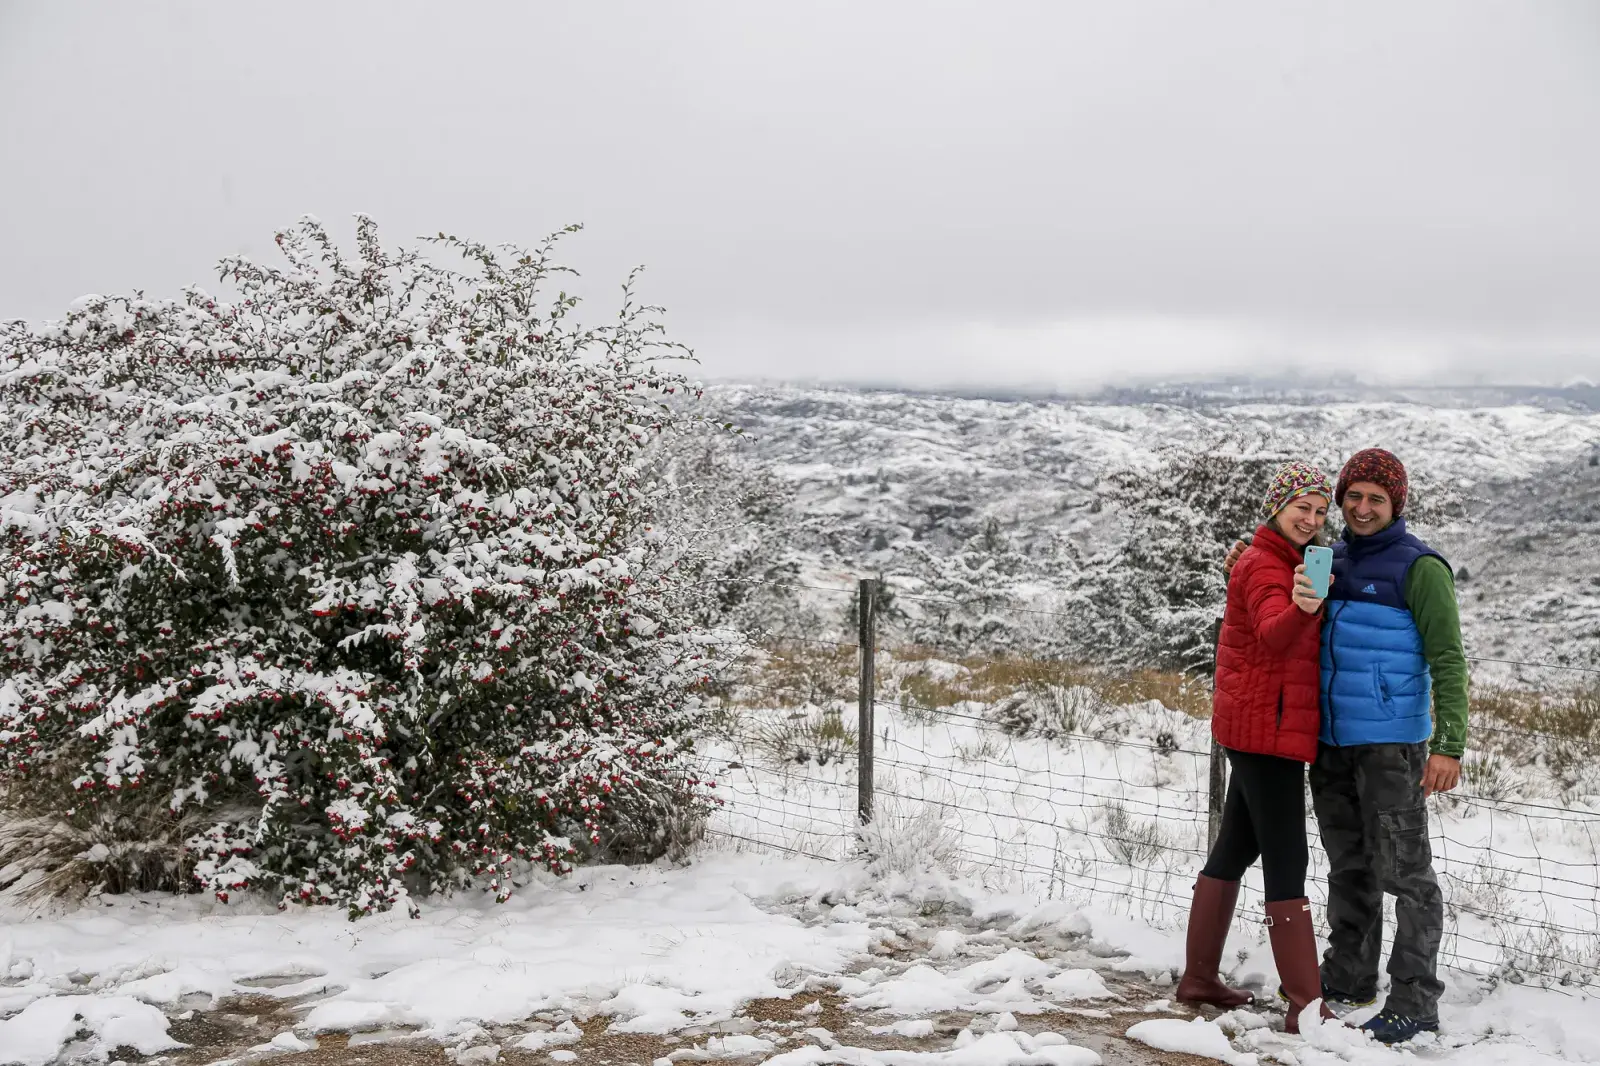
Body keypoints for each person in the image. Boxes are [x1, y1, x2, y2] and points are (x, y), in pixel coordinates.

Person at [1224, 448, 1468, 1045]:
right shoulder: (1325, 558)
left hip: (1390, 743)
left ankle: (1414, 999)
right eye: (1353, 496)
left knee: (1407, 875)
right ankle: (1350, 976)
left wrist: (1449, 744)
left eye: (1375, 499)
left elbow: (1449, 659)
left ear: (1396, 505)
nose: (1362, 508)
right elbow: (1274, 597)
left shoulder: (1420, 568)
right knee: (1349, 867)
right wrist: (1239, 558)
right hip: (1330, 742)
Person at [1177, 461, 1336, 1035]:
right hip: (1265, 734)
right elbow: (1272, 631)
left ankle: (1198, 979)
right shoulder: (1269, 566)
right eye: (1302, 507)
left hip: (1252, 728)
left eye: (1320, 511)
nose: (1312, 519)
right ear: (1277, 506)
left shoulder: (1272, 557)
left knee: (1233, 850)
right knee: (1287, 858)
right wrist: (1305, 608)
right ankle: (1305, 1005)